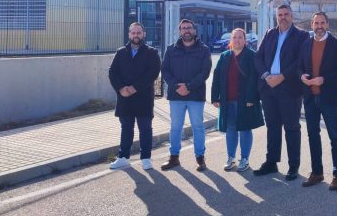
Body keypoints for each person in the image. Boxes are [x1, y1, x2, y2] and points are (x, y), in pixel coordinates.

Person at [254, 4, 309, 180]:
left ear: (292, 16)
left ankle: (293, 166)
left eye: (286, 14)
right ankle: (271, 162)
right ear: (276, 17)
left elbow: (301, 60)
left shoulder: (301, 35)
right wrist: (266, 75)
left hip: (289, 89)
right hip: (268, 88)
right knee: (272, 127)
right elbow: (258, 57)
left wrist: (282, 76)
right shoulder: (270, 33)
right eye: (280, 14)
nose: (283, 17)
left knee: (292, 127)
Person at [298, 12, 337, 189]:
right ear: (312, 25)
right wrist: (301, 76)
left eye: (322, 22)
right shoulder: (305, 44)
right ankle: (317, 172)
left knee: (334, 136)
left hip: (327, 97)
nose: (319, 26)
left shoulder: (336, 45)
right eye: (316, 23)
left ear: (327, 24)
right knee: (312, 135)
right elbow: (299, 66)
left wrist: (324, 79)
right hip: (310, 97)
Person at [160, 19, 212, 172]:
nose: (186, 30)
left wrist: (189, 86)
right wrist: (177, 86)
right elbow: (165, 70)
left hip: (195, 95)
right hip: (176, 96)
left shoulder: (204, 50)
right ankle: (174, 158)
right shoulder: (171, 49)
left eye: (189, 28)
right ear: (179, 31)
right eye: (183, 28)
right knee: (175, 127)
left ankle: (200, 158)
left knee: (198, 127)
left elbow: (205, 71)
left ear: (194, 30)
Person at [108, 22, 162, 170]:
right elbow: (112, 72)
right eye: (133, 32)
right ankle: (123, 157)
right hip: (125, 98)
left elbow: (153, 73)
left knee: (145, 128)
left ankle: (145, 158)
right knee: (126, 128)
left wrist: (134, 87)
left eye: (139, 32)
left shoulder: (151, 52)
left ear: (144, 34)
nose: (136, 35)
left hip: (143, 98)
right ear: (129, 34)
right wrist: (120, 88)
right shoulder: (120, 52)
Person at [211, 28, 265, 172]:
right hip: (227, 100)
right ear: (231, 40)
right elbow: (217, 78)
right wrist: (215, 97)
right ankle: (231, 158)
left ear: (245, 40)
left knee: (245, 129)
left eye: (240, 37)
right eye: (235, 37)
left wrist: (252, 97)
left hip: (245, 100)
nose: (237, 40)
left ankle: (245, 159)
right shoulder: (224, 56)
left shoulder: (252, 56)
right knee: (230, 129)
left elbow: (255, 78)